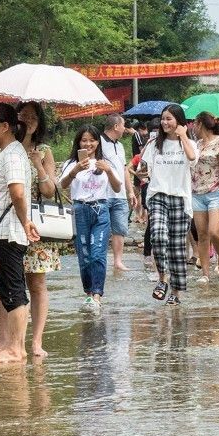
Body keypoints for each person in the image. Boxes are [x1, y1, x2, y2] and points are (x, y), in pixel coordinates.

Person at [0, 103, 40, 364]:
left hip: (9, 231)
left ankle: (16, 349)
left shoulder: (14, 155)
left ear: (4, 127)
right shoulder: (5, 153)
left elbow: (16, 193)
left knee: (15, 289)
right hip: (1, 231)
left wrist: (25, 221)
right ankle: (7, 344)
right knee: (5, 287)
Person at [15, 100, 62, 358]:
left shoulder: (44, 150)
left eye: (33, 116)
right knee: (9, 283)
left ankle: (36, 341)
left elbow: (49, 191)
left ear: (39, 121)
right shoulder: (1, 148)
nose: (27, 120)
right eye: (23, 115)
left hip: (37, 225)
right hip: (8, 223)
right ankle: (12, 340)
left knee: (37, 283)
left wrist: (38, 165)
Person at [60, 125, 123, 311]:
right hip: (80, 210)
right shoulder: (71, 164)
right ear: (78, 142)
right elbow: (63, 185)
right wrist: (75, 171)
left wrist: (109, 171)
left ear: (98, 142)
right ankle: (88, 293)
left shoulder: (105, 162)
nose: (88, 144)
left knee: (98, 254)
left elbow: (118, 188)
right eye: (84, 140)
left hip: (101, 209)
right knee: (84, 255)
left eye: (92, 140)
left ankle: (97, 294)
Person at [142, 104, 197, 305]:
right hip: (158, 195)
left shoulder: (189, 144)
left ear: (179, 122)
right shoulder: (153, 143)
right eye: (163, 119)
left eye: (169, 119)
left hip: (180, 198)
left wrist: (183, 136)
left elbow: (192, 158)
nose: (164, 123)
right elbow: (144, 167)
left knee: (176, 248)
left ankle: (176, 293)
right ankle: (162, 279)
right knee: (158, 235)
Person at [189, 111, 219, 280]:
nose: (192, 126)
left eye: (194, 123)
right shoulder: (196, 145)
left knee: (214, 231)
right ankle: (205, 273)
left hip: (216, 192)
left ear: (200, 123)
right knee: (202, 234)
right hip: (197, 193)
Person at [101, 114, 136, 272]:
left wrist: (130, 192)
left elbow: (124, 170)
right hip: (102, 194)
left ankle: (118, 261)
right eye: (123, 125)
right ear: (116, 126)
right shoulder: (98, 142)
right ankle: (100, 260)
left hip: (120, 194)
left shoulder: (120, 146)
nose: (125, 129)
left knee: (120, 228)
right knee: (101, 228)